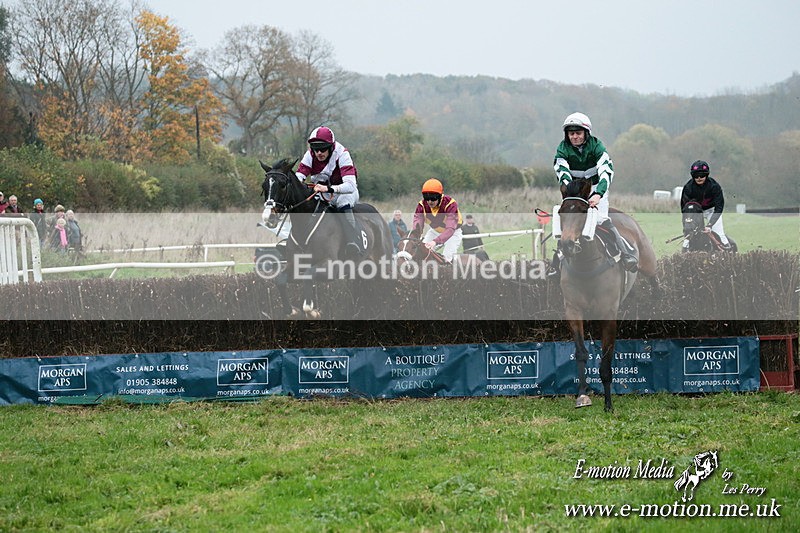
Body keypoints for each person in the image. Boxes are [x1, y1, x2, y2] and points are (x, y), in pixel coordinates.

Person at [548, 112, 637, 277]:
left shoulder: (597, 147)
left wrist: (598, 194)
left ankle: (625, 255)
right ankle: (557, 262)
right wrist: (570, 190)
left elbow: (606, 171)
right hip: (574, 190)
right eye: (571, 133)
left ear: (586, 133)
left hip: (595, 186)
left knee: (601, 219)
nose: (574, 137)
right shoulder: (562, 148)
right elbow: (562, 171)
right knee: (566, 218)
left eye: (578, 133)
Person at [295, 126, 363, 257]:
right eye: (315, 149)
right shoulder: (310, 155)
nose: (319, 152)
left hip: (345, 193)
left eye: (322, 148)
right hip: (322, 193)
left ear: (331, 147)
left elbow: (350, 186)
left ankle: (353, 241)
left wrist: (328, 188)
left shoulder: (342, 154)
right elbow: (299, 177)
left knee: (343, 202)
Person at [680, 160, 730, 250]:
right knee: (689, 236)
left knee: (719, 233)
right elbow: (685, 209)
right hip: (696, 212)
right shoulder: (688, 188)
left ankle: (727, 249)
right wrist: (687, 227)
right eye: (696, 176)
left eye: (702, 175)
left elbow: (719, 207)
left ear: (706, 175)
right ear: (692, 176)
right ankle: (685, 250)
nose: (699, 178)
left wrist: (710, 225)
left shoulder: (715, 187)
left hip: (712, 210)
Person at [412, 178, 463, 263]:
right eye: (427, 198)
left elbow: (450, 229)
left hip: (453, 233)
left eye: (433, 198)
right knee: (420, 251)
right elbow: (417, 223)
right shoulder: (422, 205)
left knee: (447, 258)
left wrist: (435, 242)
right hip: (434, 231)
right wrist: (416, 235)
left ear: (440, 196)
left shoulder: (450, 204)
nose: (430, 201)